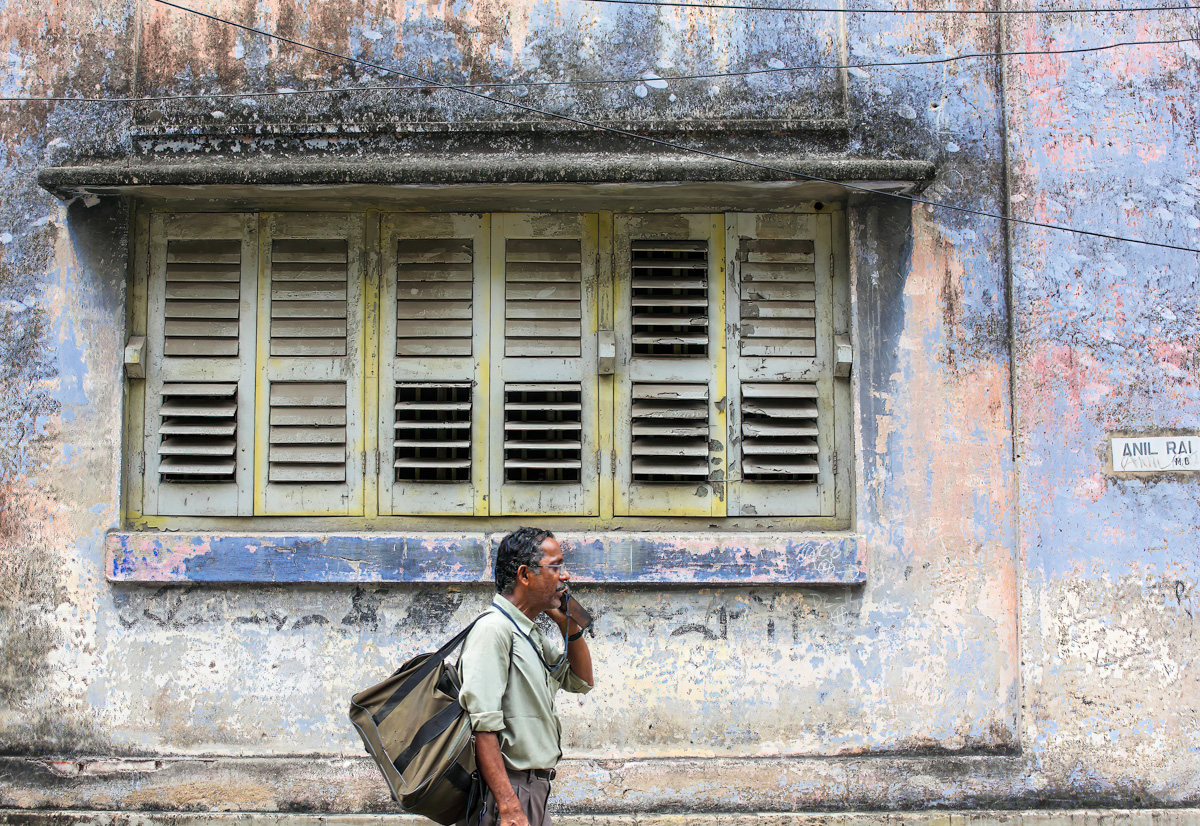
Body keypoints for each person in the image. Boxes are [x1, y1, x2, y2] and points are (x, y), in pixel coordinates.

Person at [458, 527, 594, 826]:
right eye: (556, 566)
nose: (566, 575)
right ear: (524, 574)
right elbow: (483, 726)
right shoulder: (494, 630)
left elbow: (581, 681)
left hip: (532, 790)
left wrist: (568, 624)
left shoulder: (526, 631)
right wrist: (508, 806)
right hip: (509, 792)